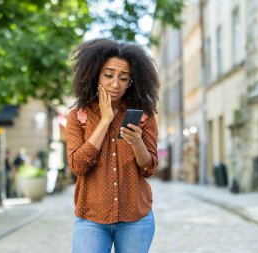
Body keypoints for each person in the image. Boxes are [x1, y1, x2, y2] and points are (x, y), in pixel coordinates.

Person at [66, 38, 159, 253]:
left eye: (124, 78)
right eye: (108, 75)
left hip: (136, 218)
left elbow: (149, 168)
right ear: (95, 74)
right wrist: (105, 120)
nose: (115, 84)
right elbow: (78, 166)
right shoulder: (78, 116)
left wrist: (137, 143)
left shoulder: (144, 115)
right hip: (91, 219)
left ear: (132, 82)